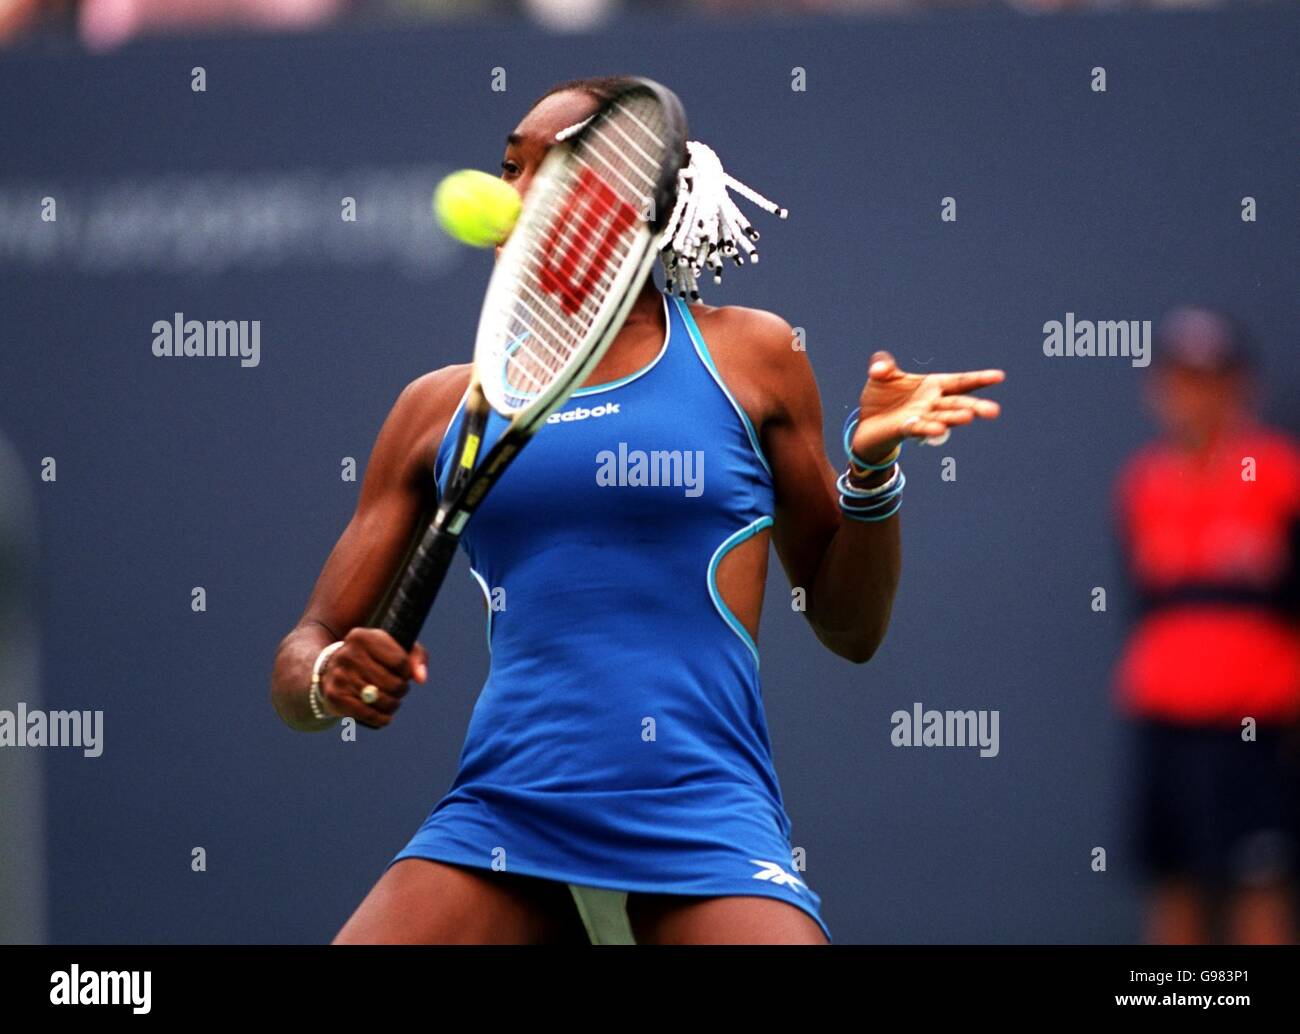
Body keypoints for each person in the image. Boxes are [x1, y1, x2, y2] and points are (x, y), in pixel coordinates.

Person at [271, 74, 1004, 944]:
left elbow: (851, 629)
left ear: (633, 204)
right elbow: (305, 650)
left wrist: (871, 468)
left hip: (705, 821)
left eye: (556, 169)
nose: (513, 198)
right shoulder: (440, 410)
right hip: (504, 821)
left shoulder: (753, 358)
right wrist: (328, 678)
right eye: (509, 167)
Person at [1113, 306, 1300, 944]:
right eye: (1179, 380)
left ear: (1241, 386)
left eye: (1209, 379)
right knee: (1173, 885)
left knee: (1260, 887)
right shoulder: (1143, 484)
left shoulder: (1281, 478)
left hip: (1255, 734)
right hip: (1167, 726)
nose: (1191, 396)